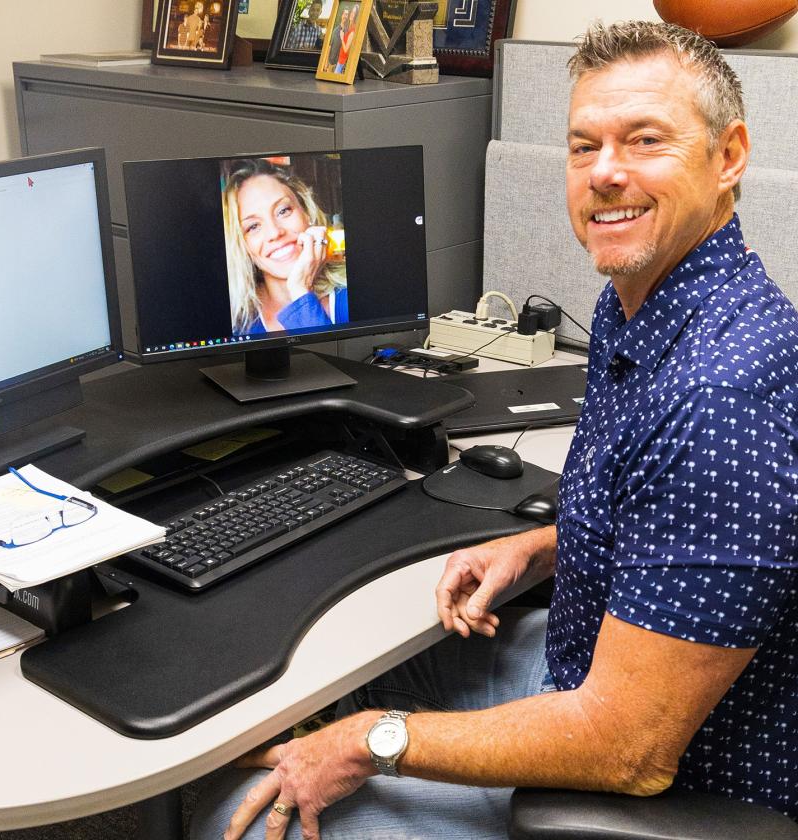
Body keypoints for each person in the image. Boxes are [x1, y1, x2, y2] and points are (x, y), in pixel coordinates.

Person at [192, 20, 798, 839]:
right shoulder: (648, 299)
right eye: (585, 148)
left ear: (729, 157)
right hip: (587, 663)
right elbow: (672, 520)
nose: (607, 173)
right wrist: (548, 545)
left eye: (644, 140)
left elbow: (631, 749)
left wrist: (368, 745)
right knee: (333, 689)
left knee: (240, 809)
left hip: (657, 778)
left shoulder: (717, 396)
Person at [221, 157, 348, 335]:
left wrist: (300, 291)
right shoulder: (236, 324)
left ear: (306, 213)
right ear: (242, 245)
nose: (275, 233)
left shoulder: (351, 294)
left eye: (283, 211)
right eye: (253, 226)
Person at [334, 5, 357, 74]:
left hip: (343, 61)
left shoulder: (353, 30)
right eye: (352, 12)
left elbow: (346, 49)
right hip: (340, 59)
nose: (352, 14)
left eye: (354, 13)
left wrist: (342, 38)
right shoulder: (348, 27)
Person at [325, 8, 346, 73]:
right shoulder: (335, 30)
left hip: (341, 64)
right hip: (331, 63)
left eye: (347, 15)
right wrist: (326, 63)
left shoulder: (347, 31)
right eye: (345, 14)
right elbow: (329, 47)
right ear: (341, 15)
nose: (346, 16)